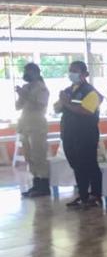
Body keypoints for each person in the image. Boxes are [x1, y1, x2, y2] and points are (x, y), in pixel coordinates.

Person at [55, 61, 102, 209]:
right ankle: (83, 195)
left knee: (89, 164)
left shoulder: (90, 92)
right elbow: (56, 108)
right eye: (70, 70)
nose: (72, 74)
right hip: (69, 133)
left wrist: (66, 103)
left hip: (86, 134)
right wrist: (62, 102)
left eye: (75, 71)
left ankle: (95, 195)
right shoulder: (68, 90)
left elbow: (86, 111)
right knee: (77, 165)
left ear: (84, 74)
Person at [16, 63, 50, 197]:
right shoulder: (26, 87)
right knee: (29, 157)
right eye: (25, 71)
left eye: (28, 71)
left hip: (37, 126)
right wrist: (21, 95)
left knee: (39, 156)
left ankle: (44, 186)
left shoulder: (42, 88)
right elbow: (18, 106)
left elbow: (40, 105)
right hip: (25, 125)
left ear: (36, 73)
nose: (25, 74)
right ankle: (36, 184)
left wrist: (26, 95)